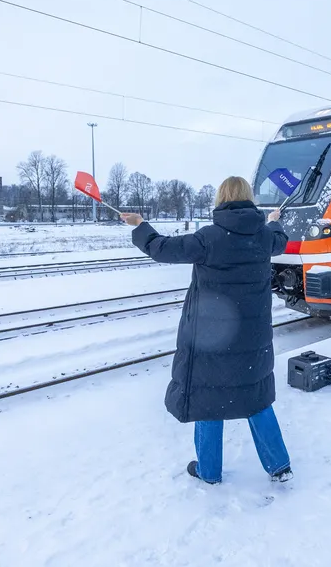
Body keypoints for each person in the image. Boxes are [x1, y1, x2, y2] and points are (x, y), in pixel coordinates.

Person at [123, 176, 293, 485]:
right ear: (248, 197)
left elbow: (161, 249)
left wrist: (140, 224)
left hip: (213, 338)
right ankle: (279, 465)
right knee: (256, 398)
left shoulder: (208, 238)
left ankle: (209, 471)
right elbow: (279, 239)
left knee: (210, 399)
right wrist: (273, 221)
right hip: (253, 337)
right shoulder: (264, 236)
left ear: (220, 199)